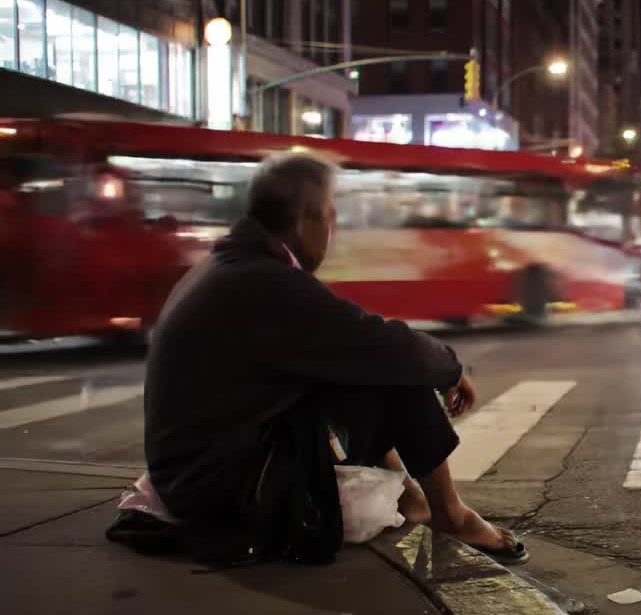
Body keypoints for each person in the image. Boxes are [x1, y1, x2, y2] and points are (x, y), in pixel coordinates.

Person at [123, 152, 526, 565]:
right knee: (396, 371)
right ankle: (450, 515)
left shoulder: (230, 265)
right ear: (305, 219)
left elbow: (351, 340)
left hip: (193, 474)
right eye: (331, 215)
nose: (333, 229)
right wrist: (451, 368)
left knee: (357, 367)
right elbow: (381, 346)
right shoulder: (265, 282)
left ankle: (413, 501)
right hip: (222, 490)